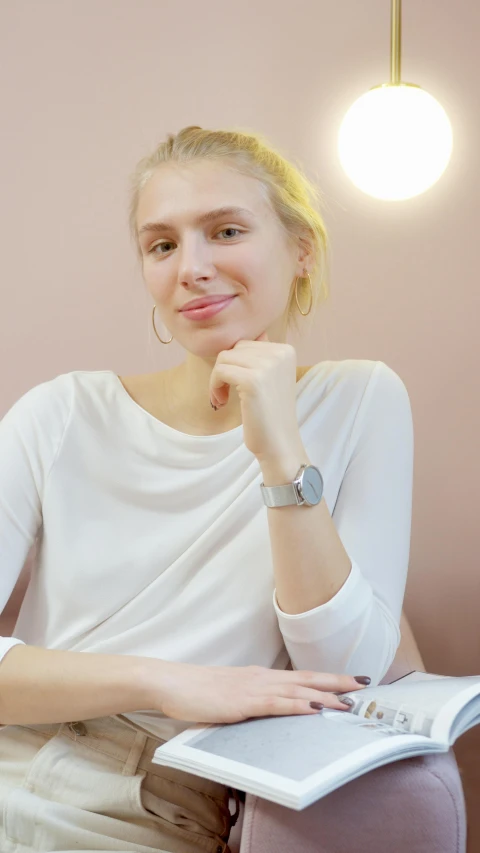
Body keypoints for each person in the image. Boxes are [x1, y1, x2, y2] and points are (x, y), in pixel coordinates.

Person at [0, 125, 414, 853]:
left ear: (301, 249)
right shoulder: (61, 412)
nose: (190, 268)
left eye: (225, 230)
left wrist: (280, 452)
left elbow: (351, 659)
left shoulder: (361, 399)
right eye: (161, 245)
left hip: (148, 803)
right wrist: (167, 681)